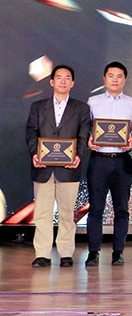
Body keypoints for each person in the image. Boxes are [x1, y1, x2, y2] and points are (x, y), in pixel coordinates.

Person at [26, 65, 91, 268]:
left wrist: (78, 156)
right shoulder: (38, 107)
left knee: (67, 214)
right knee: (42, 214)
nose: (63, 81)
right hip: (43, 168)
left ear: (72, 83)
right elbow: (31, 132)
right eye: (59, 77)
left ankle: (66, 254)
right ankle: (42, 254)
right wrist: (35, 153)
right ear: (52, 82)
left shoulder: (81, 108)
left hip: (69, 168)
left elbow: (83, 135)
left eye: (67, 78)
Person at [85, 61, 132, 267]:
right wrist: (89, 139)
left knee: (122, 209)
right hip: (98, 160)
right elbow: (86, 129)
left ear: (125, 79)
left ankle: (118, 252)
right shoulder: (92, 102)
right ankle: (93, 252)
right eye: (111, 75)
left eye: (119, 76)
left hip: (122, 161)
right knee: (95, 209)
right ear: (104, 78)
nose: (115, 80)